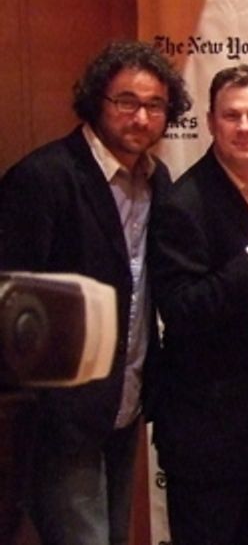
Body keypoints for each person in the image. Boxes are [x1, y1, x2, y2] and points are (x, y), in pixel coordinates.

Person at [0, 40, 190, 545]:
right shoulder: (44, 178)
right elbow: (12, 300)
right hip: (62, 412)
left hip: (125, 398)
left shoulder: (158, 180)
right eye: (126, 101)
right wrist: (42, 401)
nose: (141, 117)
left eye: (155, 105)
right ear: (95, 101)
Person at [149, 64, 248, 544]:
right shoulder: (182, 202)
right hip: (201, 428)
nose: (244, 127)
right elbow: (181, 308)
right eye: (231, 115)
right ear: (212, 122)